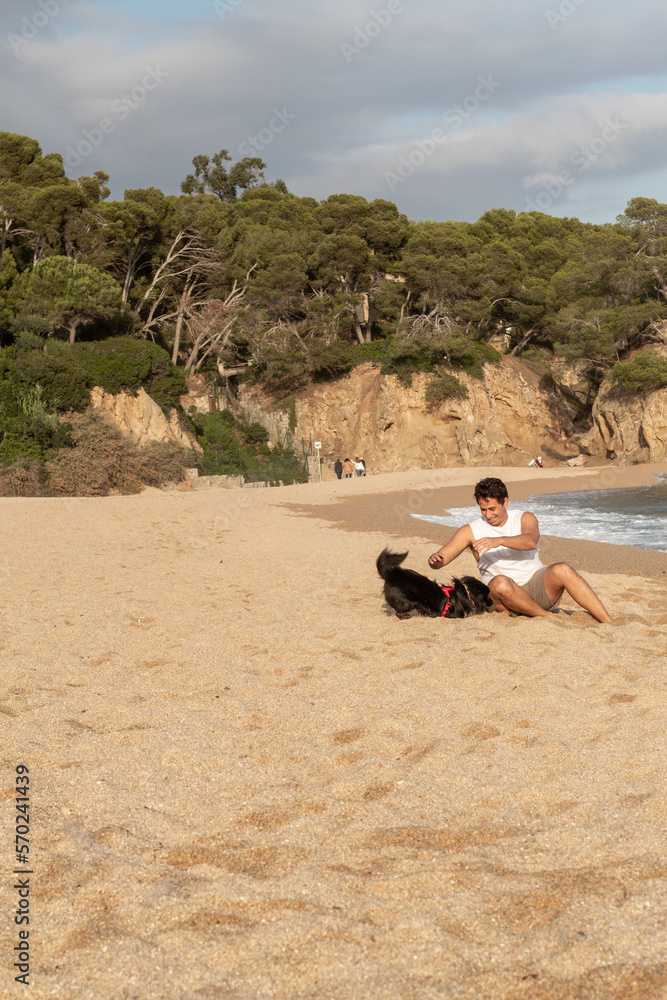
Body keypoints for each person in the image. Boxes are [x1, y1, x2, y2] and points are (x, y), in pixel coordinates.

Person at [427, 476, 612, 623]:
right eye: (483, 510)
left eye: (492, 508)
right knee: (500, 582)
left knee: (562, 569)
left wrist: (498, 540)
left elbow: (530, 541)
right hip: (503, 600)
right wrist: (435, 560)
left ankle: (607, 621)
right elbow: (441, 560)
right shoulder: (470, 530)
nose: (488, 515)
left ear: (505, 502)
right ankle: (546, 617)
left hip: (536, 589)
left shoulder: (525, 518)